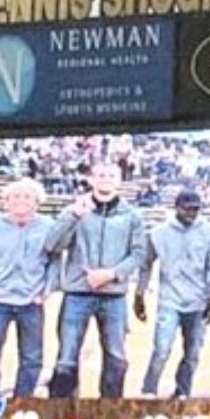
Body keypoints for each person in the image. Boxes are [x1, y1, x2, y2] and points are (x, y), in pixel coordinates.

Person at [45, 161, 147, 397]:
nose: (106, 179)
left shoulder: (132, 216)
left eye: (111, 175)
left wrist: (112, 274)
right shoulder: (74, 211)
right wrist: (73, 216)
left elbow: (139, 253)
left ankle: (110, 409)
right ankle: (64, 410)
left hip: (114, 296)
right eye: (101, 174)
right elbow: (52, 245)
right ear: (91, 179)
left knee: (117, 358)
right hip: (77, 294)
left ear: (119, 180)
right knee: (66, 358)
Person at [0, 177, 57, 399]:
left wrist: (46, 290)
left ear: (37, 202)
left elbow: (56, 260)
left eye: (27, 196)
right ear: (5, 201)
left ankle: (23, 401)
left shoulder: (48, 227)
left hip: (31, 302)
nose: (21, 200)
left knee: (32, 359)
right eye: (15, 196)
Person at [136, 189, 210, 398]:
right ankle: (149, 390)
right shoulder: (158, 233)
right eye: (187, 209)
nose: (192, 213)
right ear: (176, 208)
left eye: (196, 209)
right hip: (170, 299)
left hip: (198, 300)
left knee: (192, 353)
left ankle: (183, 391)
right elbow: (146, 264)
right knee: (161, 349)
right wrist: (139, 294)